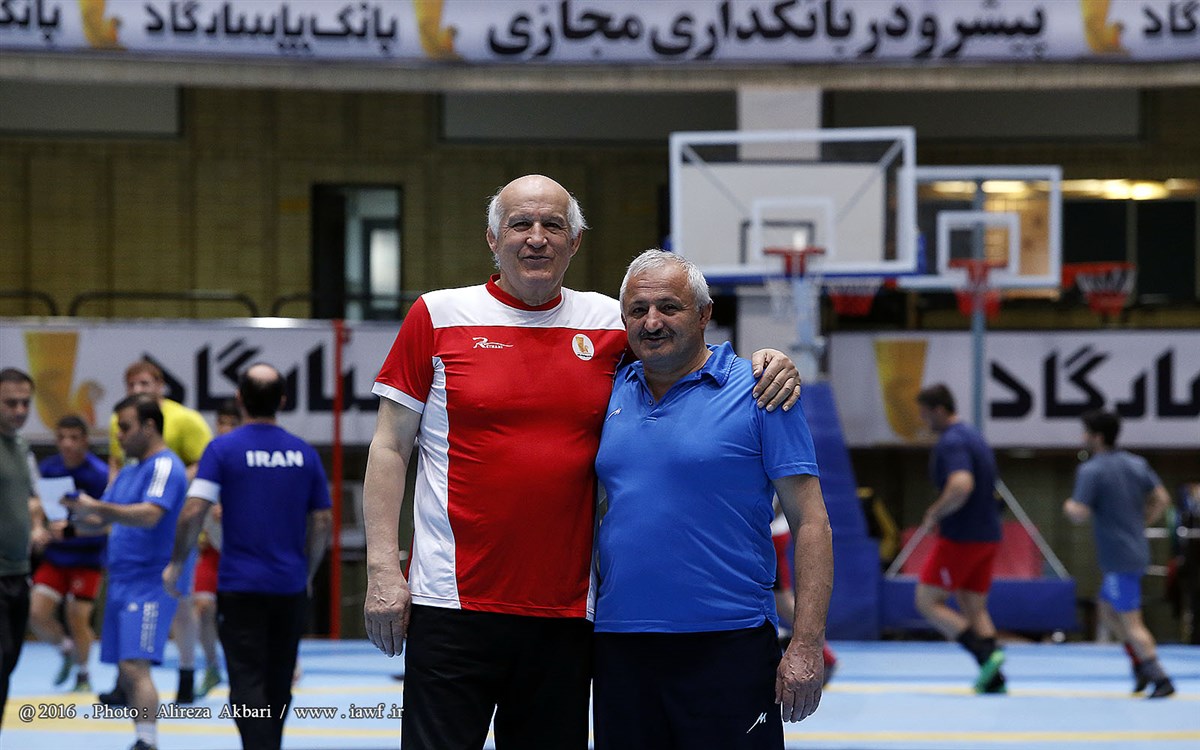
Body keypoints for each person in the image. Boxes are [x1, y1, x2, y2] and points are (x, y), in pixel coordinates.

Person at [363, 174, 801, 750]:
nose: (536, 237)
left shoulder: (610, 323)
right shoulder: (437, 315)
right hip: (450, 602)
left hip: (568, 615)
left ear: (575, 243)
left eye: (553, 225)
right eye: (521, 224)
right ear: (492, 238)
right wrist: (381, 570)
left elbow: (683, 350)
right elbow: (390, 446)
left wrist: (767, 360)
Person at [591, 249, 832, 749]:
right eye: (637, 310)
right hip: (621, 644)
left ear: (704, 314)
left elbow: (811, 522)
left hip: (730, 644)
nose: (651, 322)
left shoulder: (762, 391)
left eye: (669, 307)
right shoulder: (605, 391)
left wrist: (807, 643)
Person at [164, 363, 332, 750]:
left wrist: (175, 563)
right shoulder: (304, 453)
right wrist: (307, 573)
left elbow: (193, 511)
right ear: (283, 401)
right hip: (289, 587)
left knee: (246, 680)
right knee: (279, 680)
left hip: (241, 587)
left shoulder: (222, 449)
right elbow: (323, 521)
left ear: (239, 399)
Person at [63, 394, 190, 750]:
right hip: (120, 578)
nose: (118, 435)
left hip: (150, 580)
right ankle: (142, 736)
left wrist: (97, 507)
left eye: (125, 427)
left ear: (149, 427)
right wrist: (70, 523)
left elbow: (150, 514)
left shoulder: (165, 466)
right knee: (126, 667)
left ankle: (147, 741)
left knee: (135, 665)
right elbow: (104, 519)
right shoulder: (130, 470)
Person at [105, 359, 212, 705]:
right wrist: (108, 503)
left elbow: (207, 464)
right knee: (123, 605)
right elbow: (118, 463)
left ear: (160, 385)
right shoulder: (120, 420)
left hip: (173, 527)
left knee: (180, 605)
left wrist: (165, 485)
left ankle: (186, 673)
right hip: (133, 530)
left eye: (145, 383)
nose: (138, 389)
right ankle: (124, 679)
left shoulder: (186, 420)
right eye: (132, 384)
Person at [1063, 409, 1175, 698]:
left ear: (1097, 437)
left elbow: (1079, 513)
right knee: (1107, 609)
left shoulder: (1092, 470)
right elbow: (1162, 498)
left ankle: (1159, 676)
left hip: (1118, 558)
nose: (1082, 438)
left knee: (1131, 621)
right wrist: (1143, 521)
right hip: (1135, 550)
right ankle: (1140, 664)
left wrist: (1069, 506)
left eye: (1086, 433)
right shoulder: (1137, 464)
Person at [913, 383, 1007, 694]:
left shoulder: (952, 441)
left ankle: (984, 654)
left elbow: (961, 484)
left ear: (939, 410)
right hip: (988, 535)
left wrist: (934, 512)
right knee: (973, 605)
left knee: (927, 601)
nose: (924, 421)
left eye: (925, 414)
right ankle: (995, 679)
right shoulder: (974, 436)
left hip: (961, 537)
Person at [29, 415, 110, 693]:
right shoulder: (49, 468)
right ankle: (66, 650)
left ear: (85, 441)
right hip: (56, 556)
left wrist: (73, 528)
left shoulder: (99, 474)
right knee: (35, 613)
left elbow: (107, 521)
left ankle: (84, 675)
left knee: (77, 615)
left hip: (87, 557)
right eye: (62, 438)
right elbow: (37, 503)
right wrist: (38, 528)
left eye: (74, 438)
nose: (67, 444)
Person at [0, 367, 50, 736]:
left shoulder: (20, 446)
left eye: (25, 403)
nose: (20, 410)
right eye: (10, 403)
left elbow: (31, 498)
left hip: (18, 572)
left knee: (8, 666)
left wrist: (37, 528)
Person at [192, 398, 242, 698]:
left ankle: (286, 659)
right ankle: (211, 666)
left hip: (244, 553)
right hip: (212, 551)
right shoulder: (209, 457)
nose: (226, 428)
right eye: (222, 422)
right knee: (202, 608)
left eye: (232, 423)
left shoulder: (250, 459)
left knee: (249, 617)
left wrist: (234, 510)